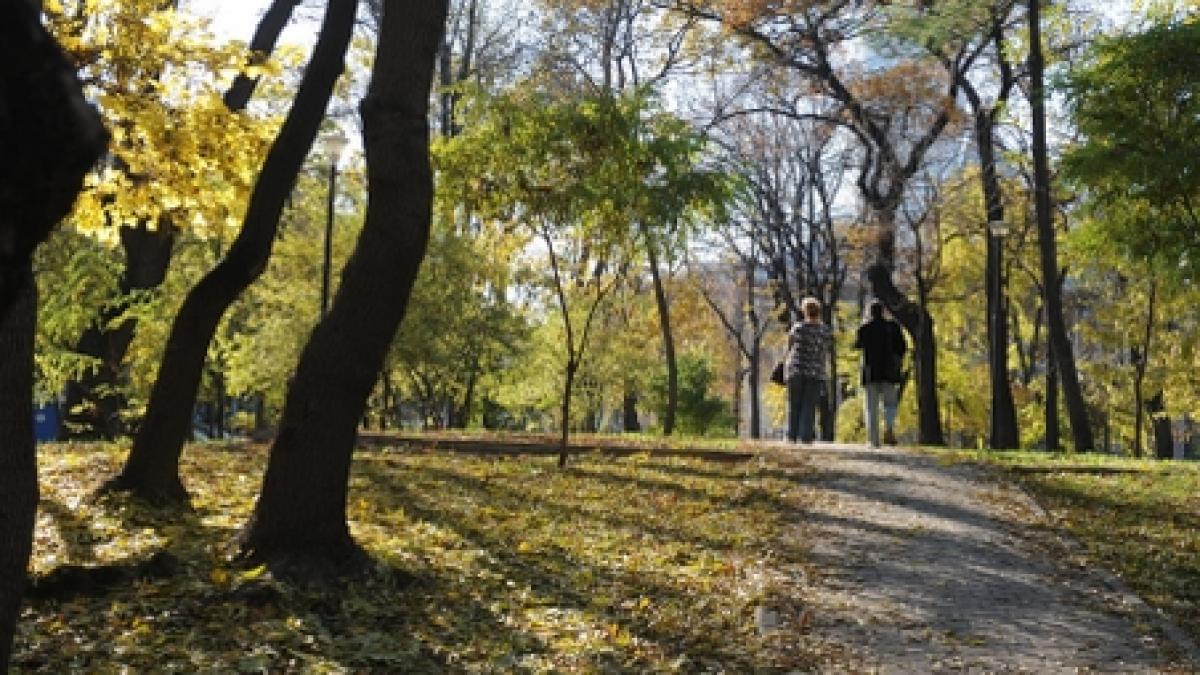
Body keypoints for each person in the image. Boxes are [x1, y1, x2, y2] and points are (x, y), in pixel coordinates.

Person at [854, 299, 907, 447]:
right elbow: (902, 348)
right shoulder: (893, 328)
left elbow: (857, 345)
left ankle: (873, 439)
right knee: (890, 404)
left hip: (871, 372)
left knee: (871, 406)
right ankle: (889, 428)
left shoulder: (864, 328)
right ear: (883, 311)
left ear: (870, 312)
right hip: (889, 372)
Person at [786, 297, 833, 444]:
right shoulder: (824, 331)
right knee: (809, 405)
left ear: (805, 311)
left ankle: (791, 436)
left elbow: (790, 347)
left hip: (796, 370)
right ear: (818, 312)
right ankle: (805, 436)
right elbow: (826, 349)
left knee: (794, 404)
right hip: (815, 371)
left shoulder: (798, 328)